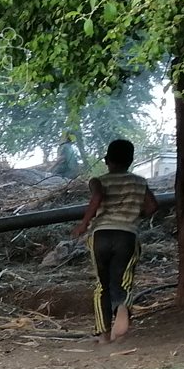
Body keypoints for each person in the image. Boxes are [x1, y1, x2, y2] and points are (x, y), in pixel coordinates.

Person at [73, 139, 157, 344]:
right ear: (131, 160)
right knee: (123, 279)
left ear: (106, 160)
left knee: (102, 285)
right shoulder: (139, 182)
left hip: (100, 236)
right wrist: (136, 215)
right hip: (126, 235)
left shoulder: (97, 181)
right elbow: (152, 206)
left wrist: (83, 224)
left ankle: (103, 335)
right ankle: (121, 307)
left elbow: (97, 197)